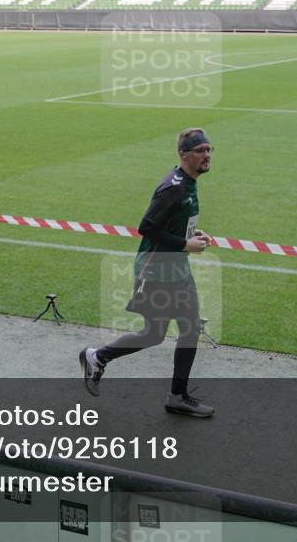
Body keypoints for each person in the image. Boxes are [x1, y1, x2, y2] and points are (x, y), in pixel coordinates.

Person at [80, 128, 215, 418]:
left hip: (177, 268)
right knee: (155, 334)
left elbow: (172, 223)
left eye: (209, 150)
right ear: (183, 154)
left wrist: (192, 234)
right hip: (156, 272)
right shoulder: (174, 187)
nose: (207, 156)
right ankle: (98, 356)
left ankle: (177, 396)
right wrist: (185, 243)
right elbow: (148, 227)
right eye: (200, 151)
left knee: (189, 328)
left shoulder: (189, 182)